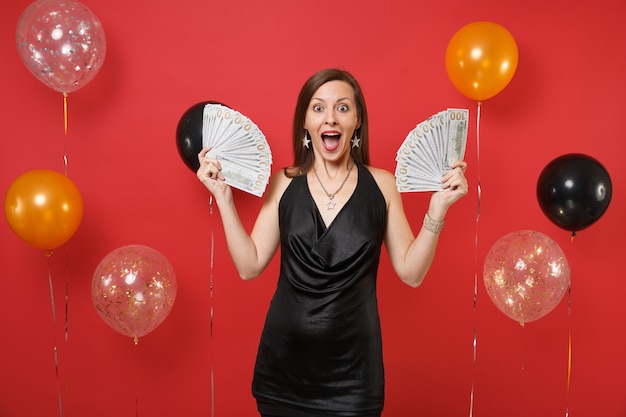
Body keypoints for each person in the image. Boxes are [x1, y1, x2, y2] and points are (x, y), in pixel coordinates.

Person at [197, 68, 468, 417]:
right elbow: (249, 267)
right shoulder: (283, 183)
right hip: (283, 370)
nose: (331, 118)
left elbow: (411, 274)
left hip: (354, 377)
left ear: (357, 121)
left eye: (342, 108)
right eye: (318, 108)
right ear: (306, 123)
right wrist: (223, 197)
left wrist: (438, 208)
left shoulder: (382, 185)